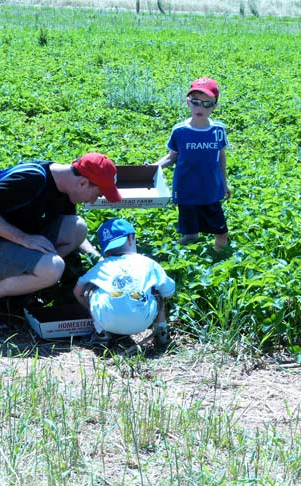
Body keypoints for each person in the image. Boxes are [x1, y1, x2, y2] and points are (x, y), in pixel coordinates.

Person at [0, 152, 123, 332]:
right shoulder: (31, 180)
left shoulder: (64, 185)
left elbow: (74, 234)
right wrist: (24, 238)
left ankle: (24, 285)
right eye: (97, 194)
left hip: (9, 247)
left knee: (78, 228)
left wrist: (96, 258)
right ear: (83, 183)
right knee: (53, 268)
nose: (93, 200)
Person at [153, 77, 231, 250]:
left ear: (214, 106)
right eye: (196, 102)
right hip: (186, 189)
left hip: (210, 189)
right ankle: (188, 239)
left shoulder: (218, 131)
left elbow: (221, 157)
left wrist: (225, 184)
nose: (200, 107)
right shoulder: (180, 131)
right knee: (189, 227)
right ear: (188, 102)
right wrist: (154, 167)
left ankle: (220, 257)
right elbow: (171, 157)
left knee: (221, 232)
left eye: (207, 103)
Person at [73, 218, 175, 345]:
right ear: (131, 238)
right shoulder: (149, 263)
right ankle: (161, 333)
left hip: (107, 321)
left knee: (89, 290)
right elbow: (169, 292)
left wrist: (92, 308)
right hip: (143, 321)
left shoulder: (101, 266)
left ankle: (101, 333)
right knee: (158, 291)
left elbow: (77, 291)